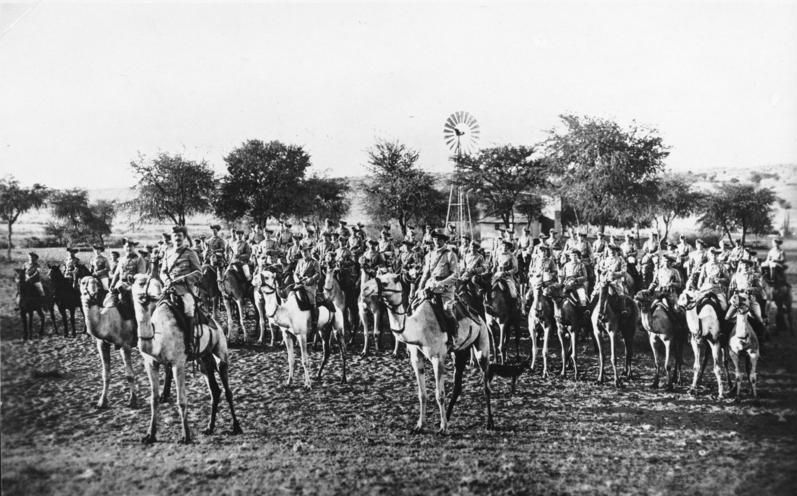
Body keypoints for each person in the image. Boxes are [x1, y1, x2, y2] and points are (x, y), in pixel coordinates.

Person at [160, 226, 203, 349]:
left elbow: (199, 273)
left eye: (180, 236)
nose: (177, 238)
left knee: (188, 308)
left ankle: (189, 342)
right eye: (175, 236)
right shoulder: (168, 253)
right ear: (172, 239)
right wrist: (167, 280)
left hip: (185, 289)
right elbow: (163, 272)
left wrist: (183, 279)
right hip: (169, 289)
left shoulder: (190, 253)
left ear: (184, 238)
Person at [416, 231, 460, 346]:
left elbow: (455, 275)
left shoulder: (450, 254)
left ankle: (453, 335)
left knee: (447, 309)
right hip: (430, 286)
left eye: (439, 239)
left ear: (444, 241)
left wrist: (441, 283)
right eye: (435, 239)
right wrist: (420, 287)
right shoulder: (429, 255)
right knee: (416, 305)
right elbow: (425, 274)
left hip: (446, 288)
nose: (436, 241)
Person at [109, 239, 147, 312]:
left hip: (134, 285)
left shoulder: (139, 259)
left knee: (134, 304)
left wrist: (132, 283)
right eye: (126, 247)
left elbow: (141, 276)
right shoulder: (122, 260)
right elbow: (116, 274)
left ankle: (134, 320)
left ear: (134, 248)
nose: (128, 249)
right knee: (109, 300)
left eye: (131, 247)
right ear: (124, 247)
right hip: (121, 283)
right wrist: (112, 285)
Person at [294, 242, 323, 337]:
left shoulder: (314, 262)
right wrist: (298, 279)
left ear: (309, 251)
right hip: (300, 284)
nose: (304, 253)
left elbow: (318, 274)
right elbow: (296, 273)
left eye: (306, 251)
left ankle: (314, 322)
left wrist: (310, 280)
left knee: (311, 300)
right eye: (302, 251)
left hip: (310, 285)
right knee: (291, 296)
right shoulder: (300, 262)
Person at [726, 258, 765, 327]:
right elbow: (731, 288)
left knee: (759, 317)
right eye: (743, 266)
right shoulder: (736, 276)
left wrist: (751, 288)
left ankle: (763, 334)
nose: (745, 267)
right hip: (738, 298)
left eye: (747, 266)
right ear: (740, 266)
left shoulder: (754, 276)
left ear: (750, 267)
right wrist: (730, 298)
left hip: (750, 299)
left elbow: (760, 288)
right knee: (727, 317)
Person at [592, 245, 630, 315]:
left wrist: (614, 274)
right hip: (605, 280)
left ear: (616, 252)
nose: (612, 252)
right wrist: (602, 271)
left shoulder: (620, 259)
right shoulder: (605, 260)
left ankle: (623, 309)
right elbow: (600, 268)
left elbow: (623, 271)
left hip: (615, 280)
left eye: (613, 251)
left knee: (620, 292)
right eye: (610, 251)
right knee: (597, 292)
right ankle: (596, 310)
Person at [695, 247, 730, 313]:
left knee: (724, 306)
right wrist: (700, 287)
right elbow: (700, 279)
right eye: (712, 254)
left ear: (717, 255)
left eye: (715, 254)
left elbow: (728, 279)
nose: (713, 256)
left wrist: (720, 280)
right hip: (706, 287)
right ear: (709, 255)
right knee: (696, 303)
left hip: (717, 289)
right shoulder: (705, 266)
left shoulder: (721, 266)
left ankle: (723, 321)